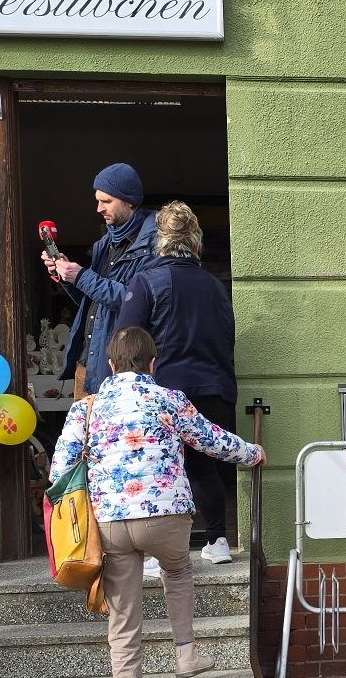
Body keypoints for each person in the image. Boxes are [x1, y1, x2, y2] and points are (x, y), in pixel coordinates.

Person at [49, 327, 264, 678]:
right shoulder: (169, 400)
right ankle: (186, 656)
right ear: (152, 362)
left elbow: (59, 470)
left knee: (122, 606)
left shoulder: (85, 409)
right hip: (166, 516)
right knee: (176, 571)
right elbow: (211, 440)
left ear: (111, 365)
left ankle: (126, 673)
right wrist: (252, 453)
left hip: (110, 520)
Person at [115, 201, 238, 566]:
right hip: (213, 388)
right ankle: (218, 540)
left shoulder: (146, 282)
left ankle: (157, 553)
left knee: (158, 468)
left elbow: (127, 340)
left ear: (159, 241)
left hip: (163, 391)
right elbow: (228, 339)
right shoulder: (215, 286)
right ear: (195, 241)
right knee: (203, 467)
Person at [41, 162, 157, 395]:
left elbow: (133, 301)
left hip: (121, 371)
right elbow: (95, 303)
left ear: (130, 201)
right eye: (97, 200)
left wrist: (82, 276)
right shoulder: (104, 244)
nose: (99, 208)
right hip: (87, 365)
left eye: (107, 201)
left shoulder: (153, 245)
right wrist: (67, 276)